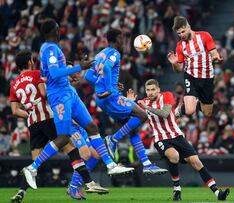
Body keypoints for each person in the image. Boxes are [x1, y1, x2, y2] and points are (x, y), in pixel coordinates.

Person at [21, 18, 133, 191]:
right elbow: (55, 72)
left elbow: (60, 71)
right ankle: (32, 168)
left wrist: (80, 68)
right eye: (58, 28)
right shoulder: (49, 48)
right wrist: (79, 66)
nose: (60, 31)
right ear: (54, 30)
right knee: (64, 137)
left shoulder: (53, 48)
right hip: (58, 96)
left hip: (69, 93)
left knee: (92, 127)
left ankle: (111, 165)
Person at [8, 51, 106, 202]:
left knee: (35, 163)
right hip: (48, 118)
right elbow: (45, 92)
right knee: (71, 149)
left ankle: (21, 191)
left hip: (33, 124)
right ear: (29, 62)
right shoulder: (35, 74)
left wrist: (31, 114)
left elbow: (15, 111)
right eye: (32, 60)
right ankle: (89, 183)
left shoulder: (14, 84)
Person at [84, 29, 167, 175]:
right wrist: (109, 88)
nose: (123, 42)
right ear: (117, 39)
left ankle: (146, 164)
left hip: (102, 98)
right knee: (142, 115)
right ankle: (113, 139)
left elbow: (88, 75)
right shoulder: (115, 53)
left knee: (132, 128)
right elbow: (108, 68)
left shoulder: (100, 54)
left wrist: (103, 87)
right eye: (121, 39)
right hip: (112, 98)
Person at [136, 79, 230, 201]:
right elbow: (128, 112)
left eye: (153, 89)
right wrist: (128, 100)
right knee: (174, 155)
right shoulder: (143, 102)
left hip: (177, 136)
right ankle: (177, 190)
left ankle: (218, 193)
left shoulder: (167, 95)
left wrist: (147, 107)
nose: (150, 92)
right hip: (161, 139)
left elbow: (165, 113)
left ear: (158, 89)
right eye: (148, 90)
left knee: (196, 162)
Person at [167, 16, 222, 119]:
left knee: (207, 113)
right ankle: (181, 109)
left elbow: (214, 52)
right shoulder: (180, 46)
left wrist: (216, 57)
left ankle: (196, 102)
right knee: (189, 111)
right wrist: (174, 63)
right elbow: (178, 70)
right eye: (178, 33)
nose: (181, 35)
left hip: (207, 77)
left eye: (183, 32)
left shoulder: (204, 36)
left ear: (188, 27)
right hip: (191, 76)